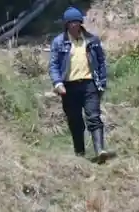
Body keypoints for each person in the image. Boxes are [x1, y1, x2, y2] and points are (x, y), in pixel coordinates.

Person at [49, 7, 110, 162]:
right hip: (69, 87)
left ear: (81, 23)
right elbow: (53, 65)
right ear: (66, 25)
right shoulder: (59, 42)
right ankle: (80, 154)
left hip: (90, 84)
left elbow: (101, 62)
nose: (74, 25)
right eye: (71, 23)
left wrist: (102, 83)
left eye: (76, 22)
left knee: (94, 117)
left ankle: (100, 151)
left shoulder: (92, 40)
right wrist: (57, 83)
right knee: (75, 120)